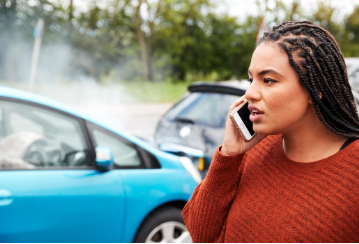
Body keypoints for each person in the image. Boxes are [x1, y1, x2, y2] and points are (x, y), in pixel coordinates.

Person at [182, 20, 359, 242]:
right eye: (251, 79)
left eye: (268, 80)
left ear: (316, 89)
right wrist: (228, 155)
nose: (250, 93)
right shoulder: (251, 151)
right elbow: (201, 235)